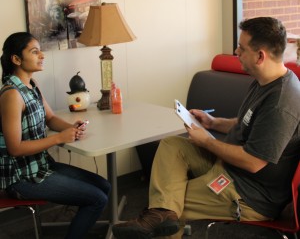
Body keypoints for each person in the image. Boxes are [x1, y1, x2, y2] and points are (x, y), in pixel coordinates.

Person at [112, 17, 300, 239]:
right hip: (229, 166)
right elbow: (246, 122)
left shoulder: (281, 103)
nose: (236, 51)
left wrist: (207, 141)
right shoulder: (263, 81)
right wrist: (214, 123)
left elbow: (253, 162)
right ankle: (160, 214)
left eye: (242, 48)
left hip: (249, 194)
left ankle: (160, 215)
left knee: (171, 204)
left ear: (260, 56)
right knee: (173, 146)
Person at [0, 32, 111, 239]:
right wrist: (59, 138)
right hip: (23, 178)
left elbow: (50, 118)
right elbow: (14, 148)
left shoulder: (31, 86)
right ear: (16, 59)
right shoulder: (12, 95)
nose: (42, 55)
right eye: (34, 52)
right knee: (97, 199)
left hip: (42, 166)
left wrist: (70, 127)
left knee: (104, 186)